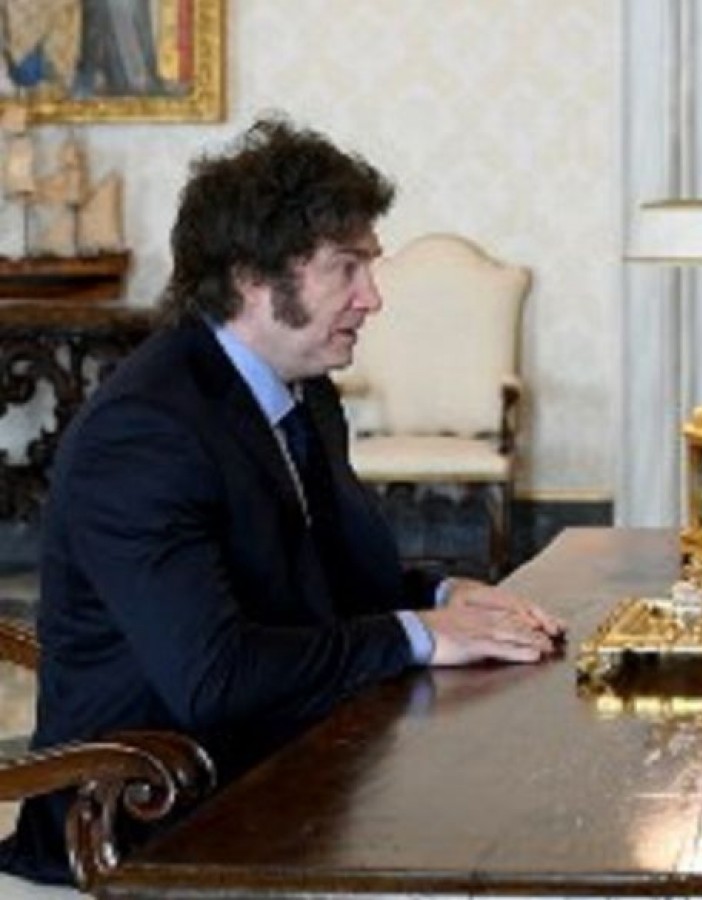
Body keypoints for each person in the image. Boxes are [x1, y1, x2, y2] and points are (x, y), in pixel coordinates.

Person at [0, 118, 565, 886]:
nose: (374, 297)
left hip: (286, 772)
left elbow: (323, 578)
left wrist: (445, 594)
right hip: (149, 821)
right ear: (252, 278)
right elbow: (216, 676)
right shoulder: (144, 434)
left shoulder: (302, 392)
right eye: (348, 268)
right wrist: (420, 633)